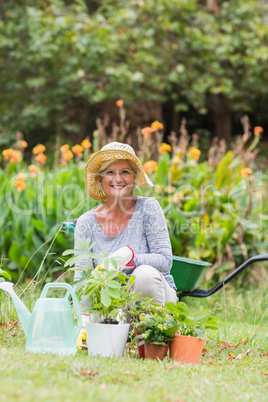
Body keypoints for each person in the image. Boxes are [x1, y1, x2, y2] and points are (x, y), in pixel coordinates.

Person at [74, 142, 177, 306]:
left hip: (155, 297)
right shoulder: (86, 222)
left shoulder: (148, 208)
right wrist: (83, 319)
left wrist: (127, 260)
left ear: (134, 177)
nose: (118, 178)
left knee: (145, 275)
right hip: (112, 306)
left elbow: (165, 261)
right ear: (100, 179)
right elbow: (82, 278)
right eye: (110, 172)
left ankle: (149, 329)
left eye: (125, 172)